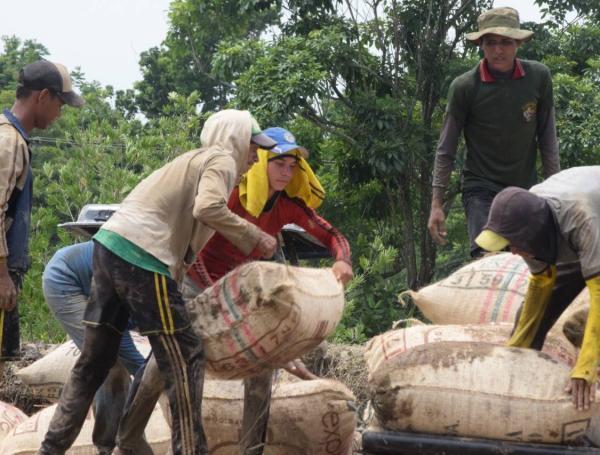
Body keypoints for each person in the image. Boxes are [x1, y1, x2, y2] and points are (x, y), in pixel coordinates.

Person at [39, 109, 279, 455]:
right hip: (140, 257)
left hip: (108, 248)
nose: (256, 157)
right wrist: (255, 236)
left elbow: (181, 233)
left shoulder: (191, 161)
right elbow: (208, 208)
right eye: (254, 147)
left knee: (94, 362)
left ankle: (50, 449)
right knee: (186, 357)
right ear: (235, 138)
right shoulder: (222, 159)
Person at [115, 127, 353, 455]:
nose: (286, 172)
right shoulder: (229, 195)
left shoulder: (287, 206)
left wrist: (343, 261)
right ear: (262, 162)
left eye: (291, 166)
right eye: (279, 163)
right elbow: (192, 244)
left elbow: (331, 235)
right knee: (168, 356)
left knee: (262, 364)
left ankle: (250, 449)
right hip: (198, 283)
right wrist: (214, 293)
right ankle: (127, 437)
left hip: (241, 295)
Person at [427, 6, 560, 258]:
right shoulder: (465, 87)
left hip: (525, 190)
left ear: (517, 43)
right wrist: (436, 205)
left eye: (506, 42)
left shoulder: (538, 77)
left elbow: (547, 139)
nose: (498, 50)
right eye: (491, 42)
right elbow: (446, 148)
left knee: (533, 260)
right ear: (481, 45)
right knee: (488, 257)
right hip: (482, 189)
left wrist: (556, 193)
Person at [474, 166, 600, 412]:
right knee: (528, 323)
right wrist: (515, 350)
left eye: (514, 245)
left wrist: (585, 367)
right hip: (576, 239)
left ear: (530, 234)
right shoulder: (527, 217)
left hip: (592, 223)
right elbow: (542, 282)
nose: (513, 252)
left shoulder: (579, 217)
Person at [0, 60, 83, 371]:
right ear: (43, 96)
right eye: (60, 104)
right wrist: (2, 274)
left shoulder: (13, 137)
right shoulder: (9, 142)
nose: (60, 113)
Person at [43, 240, 150, 454]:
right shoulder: (132, 280)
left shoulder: (156, 288)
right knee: (107, 364)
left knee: (117, 365)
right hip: (64, 280)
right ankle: (107, 446)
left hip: (93, 283)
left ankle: (120, 442)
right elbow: (130, 354)